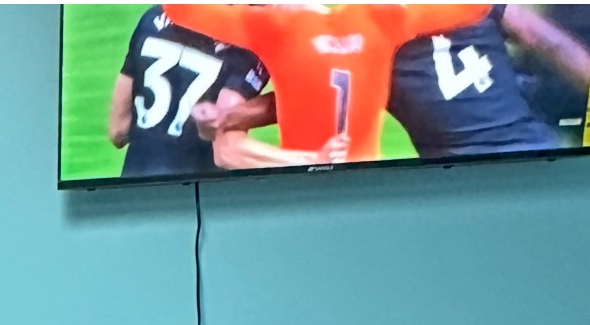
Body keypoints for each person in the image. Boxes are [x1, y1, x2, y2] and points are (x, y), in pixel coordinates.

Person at [193, 4, 590, 169]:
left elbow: (318, 89)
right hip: (541, 152)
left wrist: (232, 116)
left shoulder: (372, 36)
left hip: (463, 177)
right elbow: (546, 40)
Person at [164, 3, 493, 163]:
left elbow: (181, 10)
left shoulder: (275, 26)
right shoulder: (382, 19)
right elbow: (475, 6)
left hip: (304, 190)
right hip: (367, 187)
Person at [108, 6, 296, 177]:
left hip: (132, 191)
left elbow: (118, 130)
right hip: (197, 193)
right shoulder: (247, 46)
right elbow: (227, 149)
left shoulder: (153, 16)